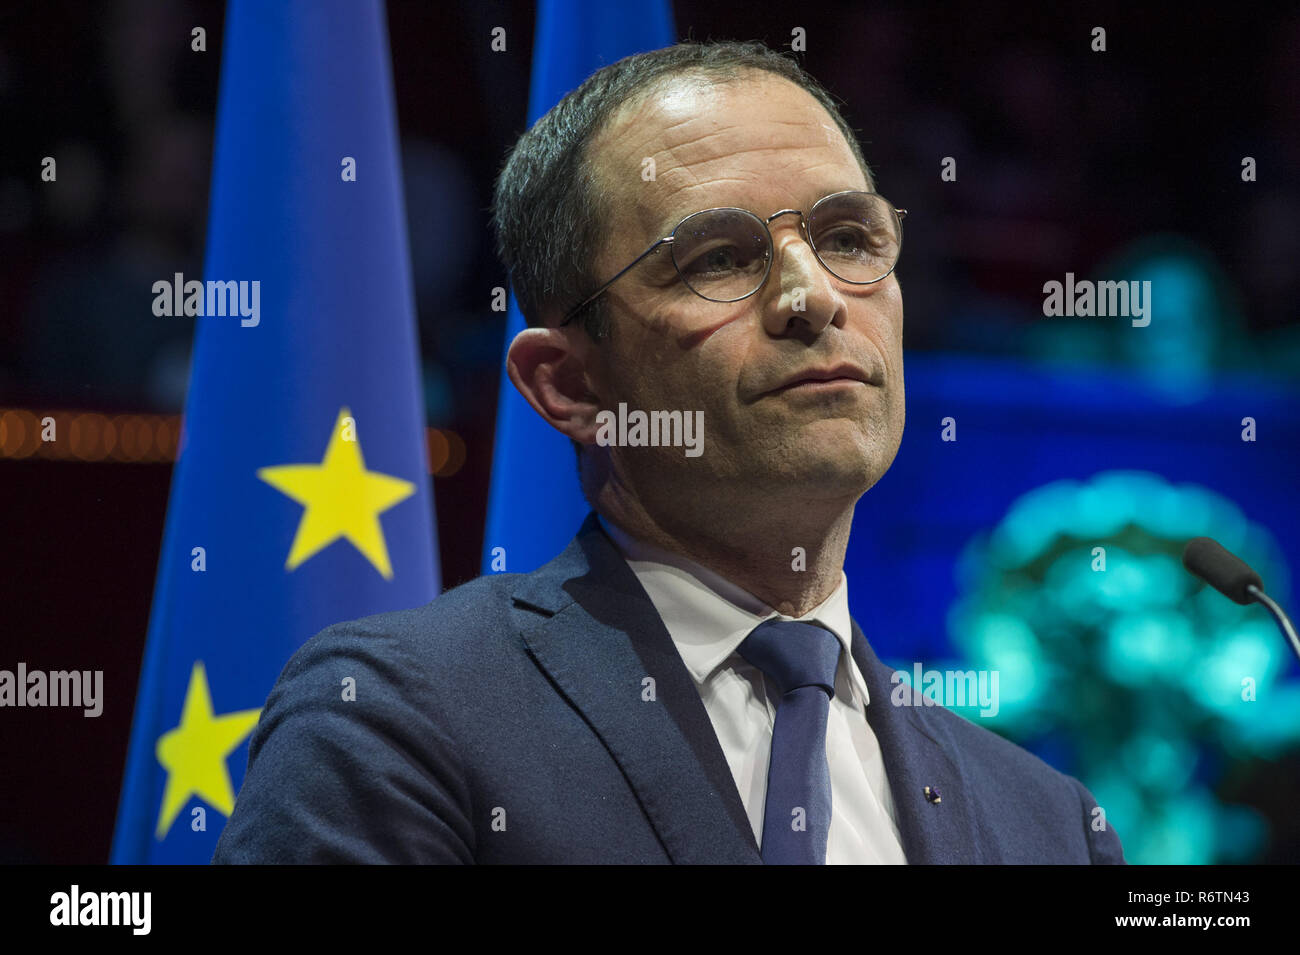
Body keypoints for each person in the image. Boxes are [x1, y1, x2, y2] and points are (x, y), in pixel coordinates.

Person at [212, 40, 1125, 864]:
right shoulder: (393, 725)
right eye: (720, 258)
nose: (814, 296)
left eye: (850, 238)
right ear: (568, 384)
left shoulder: (1048, 825)